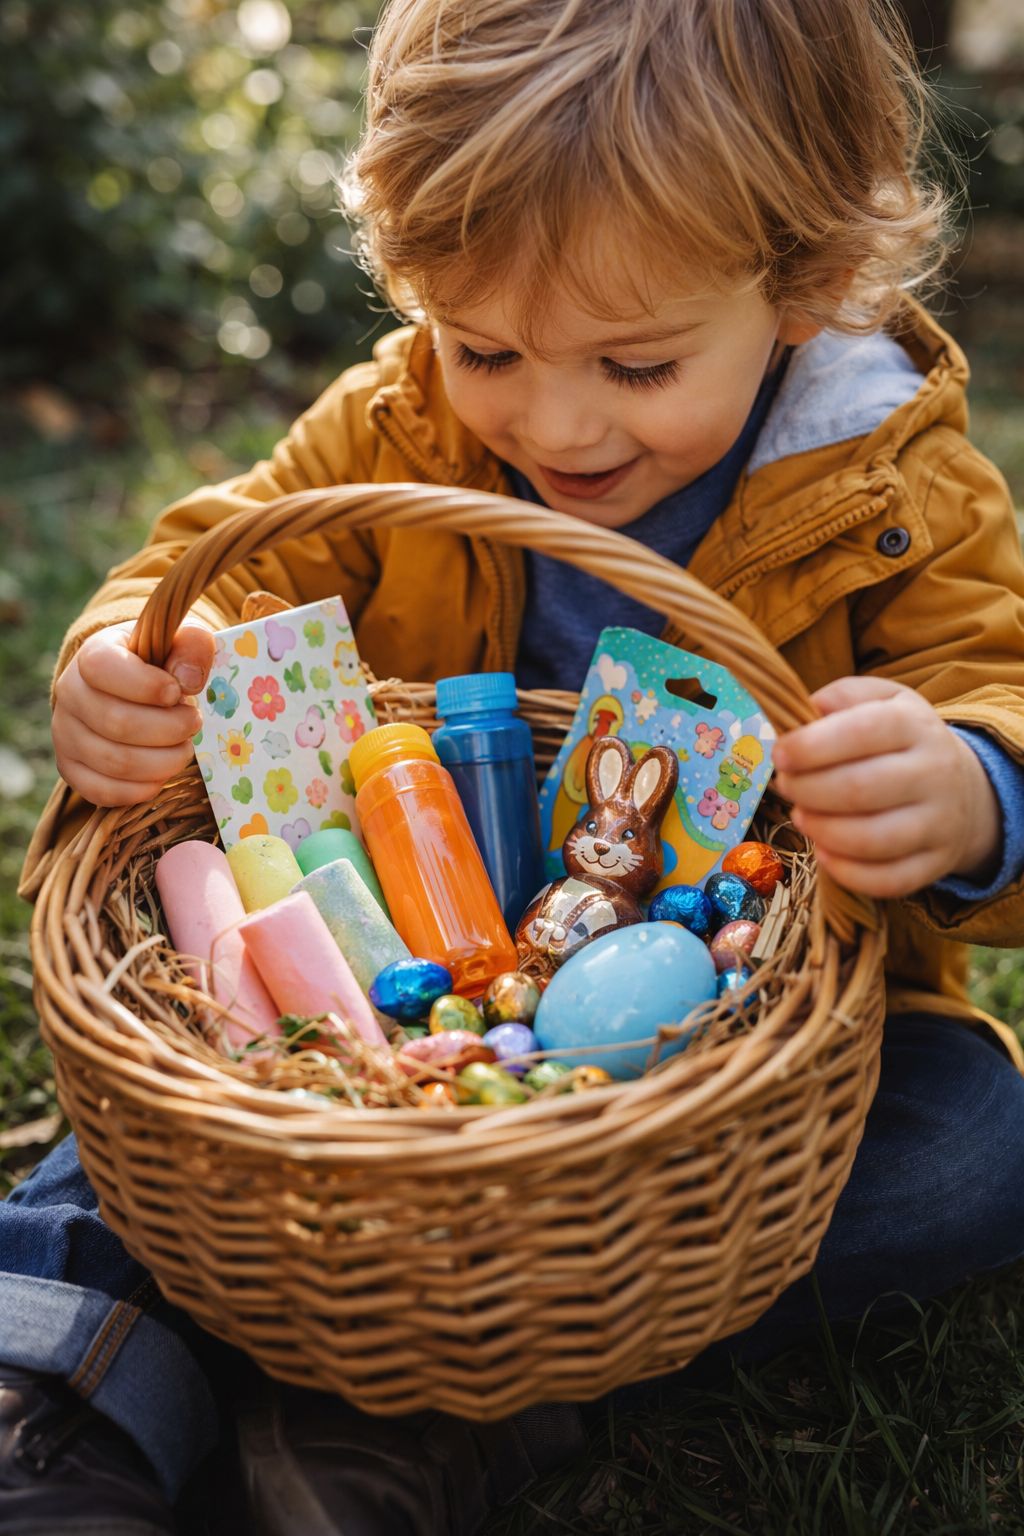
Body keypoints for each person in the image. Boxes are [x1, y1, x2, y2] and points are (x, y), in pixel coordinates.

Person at [6, 0, 1024, 1531]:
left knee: (973, 1142)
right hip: (389, 1023)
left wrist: (971, 787)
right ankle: (63, 1392)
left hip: (729, 1068)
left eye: (635, 363)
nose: (551, 420)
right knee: (167, 1111)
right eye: (484, 346)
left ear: (804, 284)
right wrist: (139, 659)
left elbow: (1000, 688)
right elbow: (210, 563)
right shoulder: (395, 426)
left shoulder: (900, 493)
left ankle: (469, 1390)